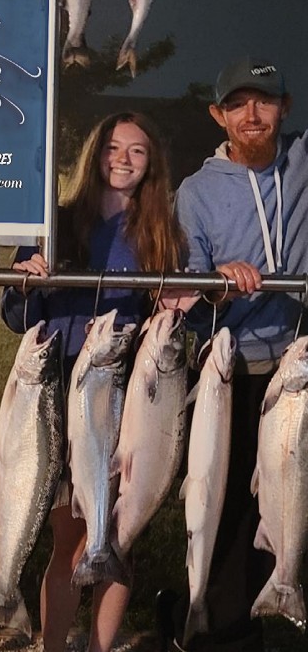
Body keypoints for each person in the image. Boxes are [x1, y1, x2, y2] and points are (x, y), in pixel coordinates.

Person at [1, 112, 186, 652]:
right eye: (112, 147)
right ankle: (53, 645)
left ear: (152, 165)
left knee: (116, 538)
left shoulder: (160, 236)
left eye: (137, 150)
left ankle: (101, 647)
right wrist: (25, 286)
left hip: (129, 395)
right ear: (93, 154)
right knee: (69, 541)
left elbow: (172, 315)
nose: (122, 159)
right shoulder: (53, 224)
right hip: (60, 388)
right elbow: (15, 315)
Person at [164, 56, 308, 652]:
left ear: (285, 109)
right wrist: (217, 279)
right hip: (232, 371)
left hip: (298, 368)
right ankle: (215, 628)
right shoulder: (194, 194)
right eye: (239, 104)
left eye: (266, 101)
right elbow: (185, 298)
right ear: (218, 115)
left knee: (293, 499)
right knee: (224, 510)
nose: (254, 115)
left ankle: (285, 595)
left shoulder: (302, 162)